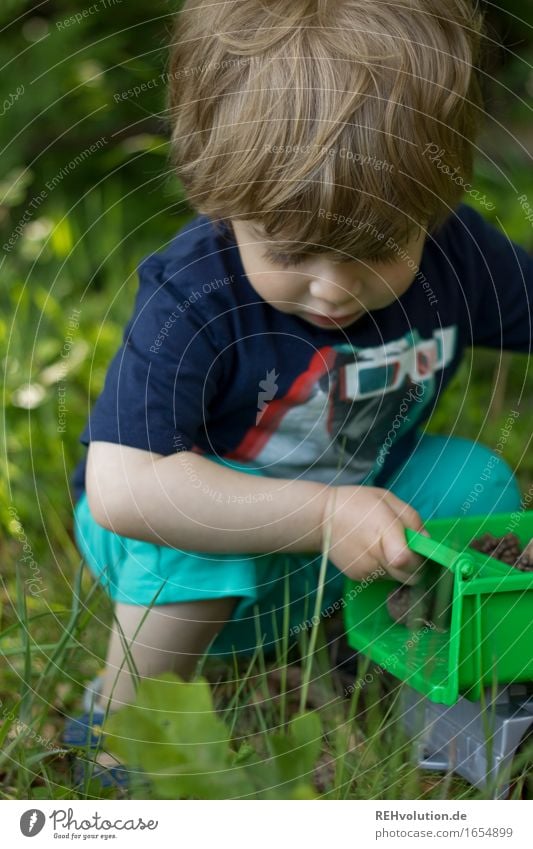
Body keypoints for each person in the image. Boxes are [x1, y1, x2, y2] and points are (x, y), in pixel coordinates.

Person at [65, 0, 531, 784]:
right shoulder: (196, 294)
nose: (332, 287)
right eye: (289, 250)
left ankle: (433, 700)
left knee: (472, 481)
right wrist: (317, 513)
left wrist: (335, 516)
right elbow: (124, 489)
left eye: (378, 248)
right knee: (182, 520)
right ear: (216, 194)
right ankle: (123, 726)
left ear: (436, 202)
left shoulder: (457, 257)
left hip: (344, 528)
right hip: (193, 550)